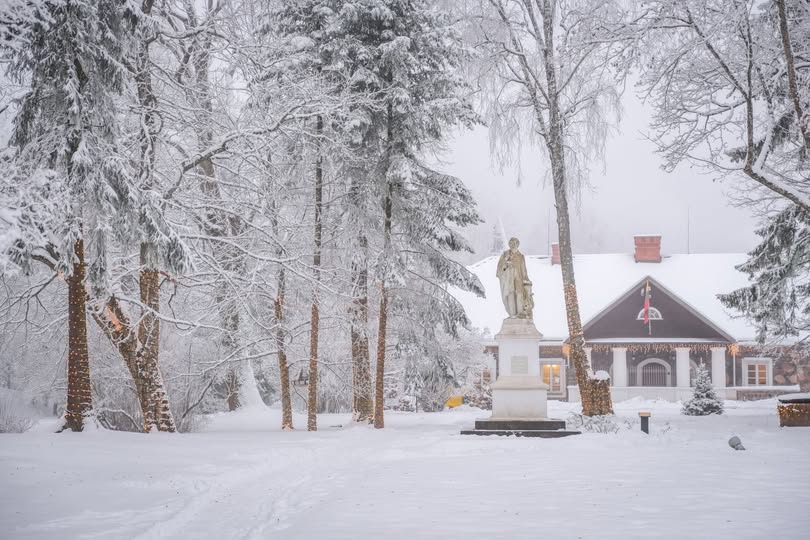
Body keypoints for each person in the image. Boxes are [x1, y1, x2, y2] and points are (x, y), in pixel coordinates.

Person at [495, 237, 534, 319]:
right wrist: (505, 265)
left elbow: (524, 270)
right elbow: (499, 269)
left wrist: (526, 280)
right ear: (509, 244)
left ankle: (520, 314)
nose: (513, 245)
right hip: (508, 280)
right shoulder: (505, 254)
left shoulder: (521, 256)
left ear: (518, 245)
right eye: (511, 243)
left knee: (519, 296)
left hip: (518, 280)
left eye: (515, 243)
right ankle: (512, 315)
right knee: (510, 296)